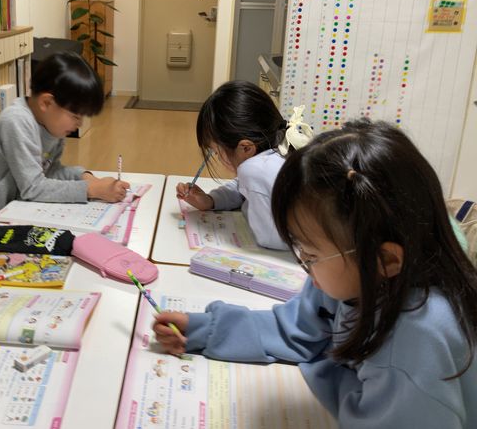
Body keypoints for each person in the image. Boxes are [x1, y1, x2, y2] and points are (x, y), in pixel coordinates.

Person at [155, 119, 477, 427]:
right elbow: (294, 329)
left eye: (310, 255)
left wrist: (327, 370)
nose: (304, 267)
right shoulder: (357, 273)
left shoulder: (414, 342)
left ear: (386, 259)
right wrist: (206, 330)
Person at [0, 51, 130, 254]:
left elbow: (49, 171)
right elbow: (33, 187)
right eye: (75, 116)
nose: (79, 124)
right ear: (46, 103)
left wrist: (84, 177)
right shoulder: (16, 121)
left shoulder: (51, 123)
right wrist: (91, 189)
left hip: (11, 221)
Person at [176, 80, 311, 250]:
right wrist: (210, 201)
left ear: (245, 148)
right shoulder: (279, 147)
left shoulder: (255, 170)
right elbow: (242, 188)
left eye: (216, 152)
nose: (216, 157)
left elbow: (270, 240)